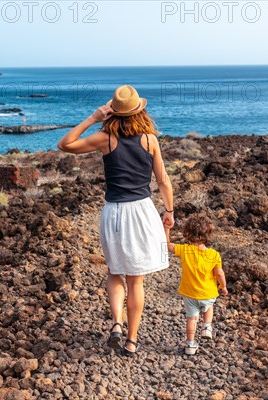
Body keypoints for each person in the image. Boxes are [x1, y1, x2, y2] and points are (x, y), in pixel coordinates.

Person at [57, 85, 174, 356]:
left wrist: (92, 118)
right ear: (140, 111)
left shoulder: (105, 138)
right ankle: (132, 341)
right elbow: (163, 181)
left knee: (114, 272)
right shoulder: (149, 140)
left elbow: (64, 145)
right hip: (142, 211)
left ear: (113, 112)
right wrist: (169, 211)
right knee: (136, 280)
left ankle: (117, 324)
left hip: (114, 212)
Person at [165, 213, 228, 355]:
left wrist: (167, 229)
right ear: (209, 234)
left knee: (191, 318)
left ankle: (190, 345)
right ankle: (206, 326)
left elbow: (168, 246)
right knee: (208, 307)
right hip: (208, 293)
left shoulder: (185, 250)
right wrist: (223, 286)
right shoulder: (214, 255)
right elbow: (219, 273)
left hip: (190, 294)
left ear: (187, 233)